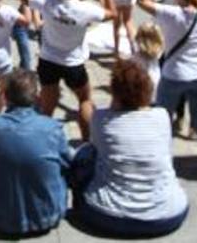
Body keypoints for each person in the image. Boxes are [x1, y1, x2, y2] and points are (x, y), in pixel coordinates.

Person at [71, 58, 189, 236]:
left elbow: (92, 142)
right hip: (169, 214)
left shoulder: (102, 119)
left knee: (83, 155)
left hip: (109, 216)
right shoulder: (162, 116)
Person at [16, 0, 114, 139]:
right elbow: (111, 13)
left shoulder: (48, 1)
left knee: (47, 107)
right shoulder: (85, 9)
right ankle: (86, 142)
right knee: (84, 100)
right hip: (73, 61)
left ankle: (42, 141)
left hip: (48, 59)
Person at [0, 70, 73, 236]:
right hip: (45, 217)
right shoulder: (52, 128)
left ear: (5, 97)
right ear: (36, 97)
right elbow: (68, 164)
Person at [138, 0, 197, 175]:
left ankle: (162, 162)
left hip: (174, 73)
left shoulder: (172, 13)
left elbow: (141, 1)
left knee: (163, 118)